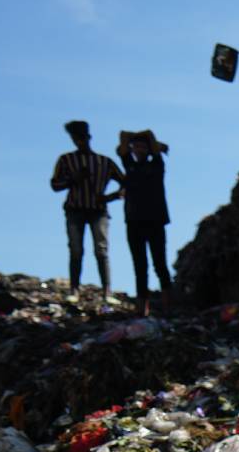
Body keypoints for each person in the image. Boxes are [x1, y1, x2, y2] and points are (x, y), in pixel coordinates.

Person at [49, 120, 122, 294]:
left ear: (88, 138)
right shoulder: (66, 160)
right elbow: (55, 185)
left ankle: (106, 290)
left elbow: (126, 182)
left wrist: (109, 197)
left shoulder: (105, 162)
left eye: (81, 138)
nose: (79, 142)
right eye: (76, 139)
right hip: (75, 210)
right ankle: (74, 289)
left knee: (101, 250)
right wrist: (73, 179)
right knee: (76, 250)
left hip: (98, 211)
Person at [116, 130, 171, 314]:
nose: (139, 150)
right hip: (134, 221)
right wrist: (133, 141)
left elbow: (150, 133)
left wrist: (152, 142)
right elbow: (122, 135)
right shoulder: (130, 165)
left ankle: (168, 305)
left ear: (149, 149)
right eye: (136, 147)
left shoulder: (156, 164)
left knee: (160, 264)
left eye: (143, 147)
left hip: (155, 220)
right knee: (140, 266)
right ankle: (142, 308)